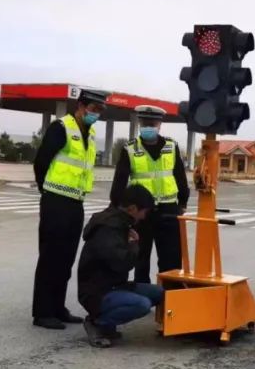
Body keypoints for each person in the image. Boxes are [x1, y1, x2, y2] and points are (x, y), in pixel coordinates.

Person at [30, 89, 108, 330]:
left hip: (75, 202)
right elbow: (41, 161)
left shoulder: (90, 133)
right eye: (93, 110)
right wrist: (47, 190)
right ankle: (42, 312)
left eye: (99, 111)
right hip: (56, 201)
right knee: (50, 257)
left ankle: (58, 308)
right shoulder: (61, 127)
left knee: (66, 258)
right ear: (81, 106)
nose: (96, 115)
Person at [77, 184, 165, 348]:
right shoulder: (109, 228)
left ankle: (108, 323)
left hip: (114, 285)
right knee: (142, 304)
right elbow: (121, 264)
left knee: (160, 293)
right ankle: (98, 322)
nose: (144, 217)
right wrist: (133, 245)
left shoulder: (120, 223)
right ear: (132, 209)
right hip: (97, 292)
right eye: (143, 212)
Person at [110, 105, 190, 283]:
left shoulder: (171, 146)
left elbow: (180, 178)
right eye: (145, 123)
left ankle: (170, 300)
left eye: (152, 124)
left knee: (171, 260)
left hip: (168, 210)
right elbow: (119, 184)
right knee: (140, 258)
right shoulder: (129, 149)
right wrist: (118, 211)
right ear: (139, 123)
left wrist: (182, 203)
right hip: (140, 213)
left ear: (160, 124)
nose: (148, 127)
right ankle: (143, 297)